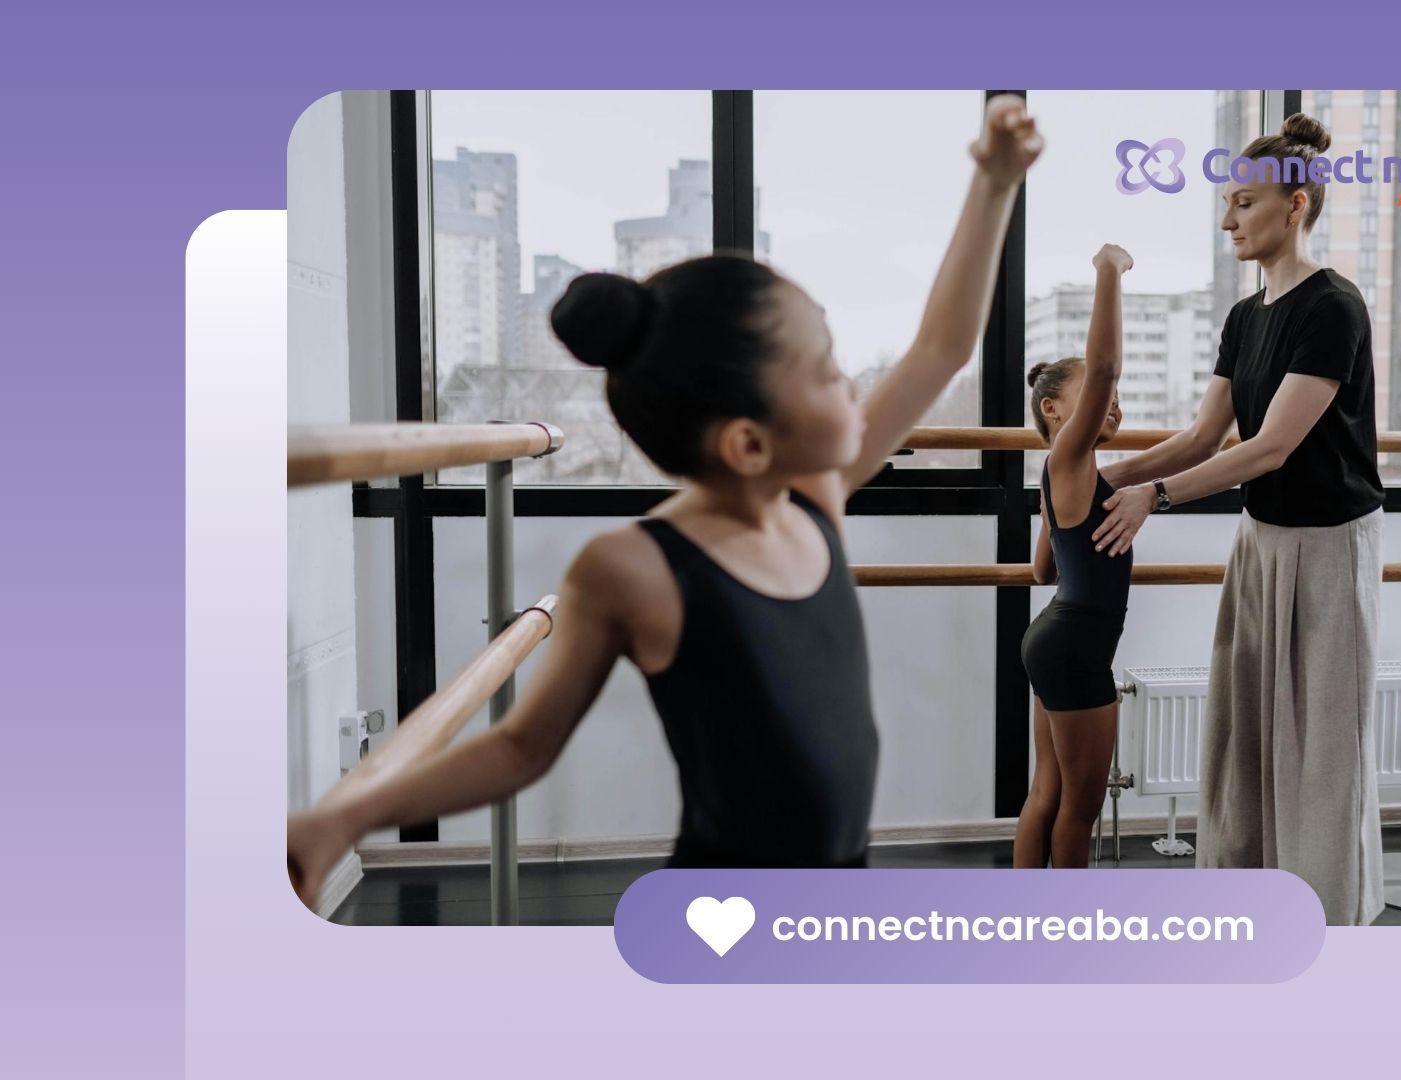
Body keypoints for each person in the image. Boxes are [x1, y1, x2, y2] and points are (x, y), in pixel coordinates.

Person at [286, 96, 1045, 906]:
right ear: (749, 443)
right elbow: (517, 749)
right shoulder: (633, 568)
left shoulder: (815, 497)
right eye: (826, 368)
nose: (852, 381)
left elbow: (941, 347)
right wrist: (345, 817)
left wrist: (994, 183)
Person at [1088, 113, 1388, 924]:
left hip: (1329, 549)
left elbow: (1270, 449)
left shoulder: (1334, 308)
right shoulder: (1244, 317)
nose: (1229, 220)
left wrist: (1156, 497)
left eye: (1243, 203)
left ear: (1295, 206)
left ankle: (1331, 919)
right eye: (1226, 203)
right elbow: (1203, 436)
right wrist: (1103, 474)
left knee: (1323, 747)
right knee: (1246, 730)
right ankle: (1254, 901)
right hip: (1260, 543)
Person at [1015, 243, 1133, 869]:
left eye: (1114, 396)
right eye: (1093, 395)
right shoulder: (1068, 457)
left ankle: (1029, 928)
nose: (1111, 401)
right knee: (1079, 810)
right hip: (1079, 645)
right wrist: (1109, 270)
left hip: (1055, 637)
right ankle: (1064, 935)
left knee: (1047, 792)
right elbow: (1106, 363)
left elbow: (1044, 570)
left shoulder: (1066, 473)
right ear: (1053, 408)